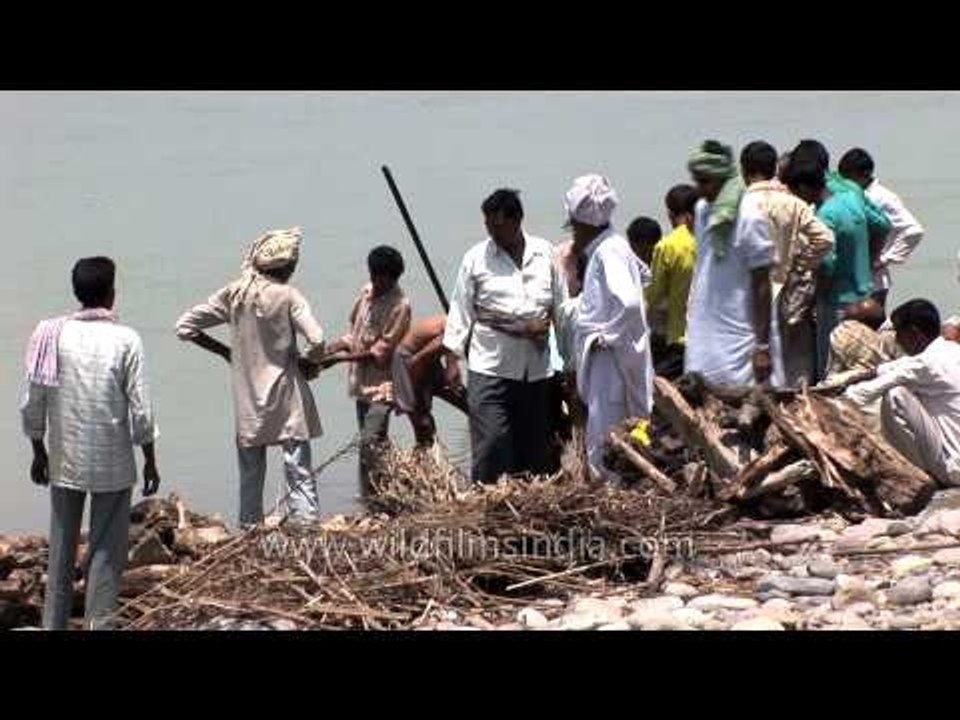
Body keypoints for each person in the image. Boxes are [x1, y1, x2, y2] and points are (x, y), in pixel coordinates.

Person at [21, 257, 160, 630]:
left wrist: (38, 451)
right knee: (105, 555)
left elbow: (33, 399)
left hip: (65, 461)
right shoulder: (126, 339)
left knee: (61, 551)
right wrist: (149, 458)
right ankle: (100, 623)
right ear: (112, 294)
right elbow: (141, 410)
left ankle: (54, 624)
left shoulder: (50, 335)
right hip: (112, 465)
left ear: (77, 293)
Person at [175, 227, 325, 527]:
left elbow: (185, 326)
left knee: (250, 473)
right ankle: (306, 528)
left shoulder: (235, 293)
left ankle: (250, 531)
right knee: (298, 468)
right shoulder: (288, 295)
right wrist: (310, 363)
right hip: (287, 395)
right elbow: (318, 339)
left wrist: (225, 351)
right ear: (287, 266)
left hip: (248, 401)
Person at [443, 188, 564, 484]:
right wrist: (451, 360)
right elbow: (461, 309)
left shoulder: (544, 252)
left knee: (534, 449)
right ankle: (486, 503)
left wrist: (570, 362)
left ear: (517, 220)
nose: (492, 232)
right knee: (493, 442)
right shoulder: (476, 258)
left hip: (536, 371)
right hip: (490, 367)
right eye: (488, 225)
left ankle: (525, 513)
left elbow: (562, 309)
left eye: (498, 225)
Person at [569, 174, 654, 479]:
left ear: (585, 223)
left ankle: (613, 500)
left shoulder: (608, 251)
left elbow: (630, 303)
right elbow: (645, 279)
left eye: (574, 225)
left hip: (609, 363)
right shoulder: (614, 245)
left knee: (606, 439)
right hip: (608, 361)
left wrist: (608, 335)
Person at [685, 140, 782, 387]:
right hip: (706, 328)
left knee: (743, 400)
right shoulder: (702, 210)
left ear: (723, 179)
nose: (699, 188)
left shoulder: (749, 215)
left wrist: (762, 346)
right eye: (697, 181)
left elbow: (762, 283)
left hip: (740, 332)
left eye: (705, 181)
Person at [740, 140, 835, 385]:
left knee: (754, 355)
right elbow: (825, 239)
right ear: (774, 168)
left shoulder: (741, 205)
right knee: (794, 355)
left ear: (744, 170)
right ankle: (798, 404)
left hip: (750, 291)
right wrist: (801, 264)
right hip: (787, 288)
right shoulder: (793, 203)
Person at [322, 245, 411, 495]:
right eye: (373, 276)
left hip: (383, 387)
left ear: (393, 278)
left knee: (371, 441)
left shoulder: (400, 306)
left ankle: (379, 495)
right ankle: (371, 496)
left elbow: (379, 354)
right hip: (360, 385)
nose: (376, 283)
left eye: (382, 278)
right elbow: (353, 334)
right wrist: (330, 348)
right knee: (369, 444)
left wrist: (339, 360)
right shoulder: (366, 293)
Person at [845, 300, 960, 487]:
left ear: (914, 334)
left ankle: (921, 475)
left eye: (899, 334)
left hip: (954, 470)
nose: (897, 341)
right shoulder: (951, 350)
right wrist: (861, 375)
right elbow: (901, 365)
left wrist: (826, 398)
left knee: (895, 394)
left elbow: (863, 394)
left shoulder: (926, 364)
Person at [784, 159, 876, 380]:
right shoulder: (852, 199)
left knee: (831, 371)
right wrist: (872, 260)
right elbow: (882, 224)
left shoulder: (824, 216)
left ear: (805, 188)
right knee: (863, 366)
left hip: (836, 303)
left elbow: (826, 266)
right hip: (865, 299)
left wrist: (812, 302)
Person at [838, 147, 925, 310]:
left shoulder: (883, 198)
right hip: (850, 281)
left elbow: (913, 230)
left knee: (870, 330)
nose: (845, 183)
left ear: (864, 175)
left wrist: (885, 259)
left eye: (849, 178)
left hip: (873, 282)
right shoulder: (853, 196)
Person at [643, 184, 698, 379]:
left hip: (675, 340)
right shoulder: (709, 239)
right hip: (707, 341)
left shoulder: (668, 245)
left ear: (669, 213)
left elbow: (654, 295)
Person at [391, 314, 467, 448]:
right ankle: (424, 455)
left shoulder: (462, 326)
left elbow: (449, 343)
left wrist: (452, 363)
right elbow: (444, 340)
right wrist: (451, 363)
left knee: (466, 400)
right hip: (408, 358)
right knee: (421, 419)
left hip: (430, 360)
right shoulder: (460, 323)